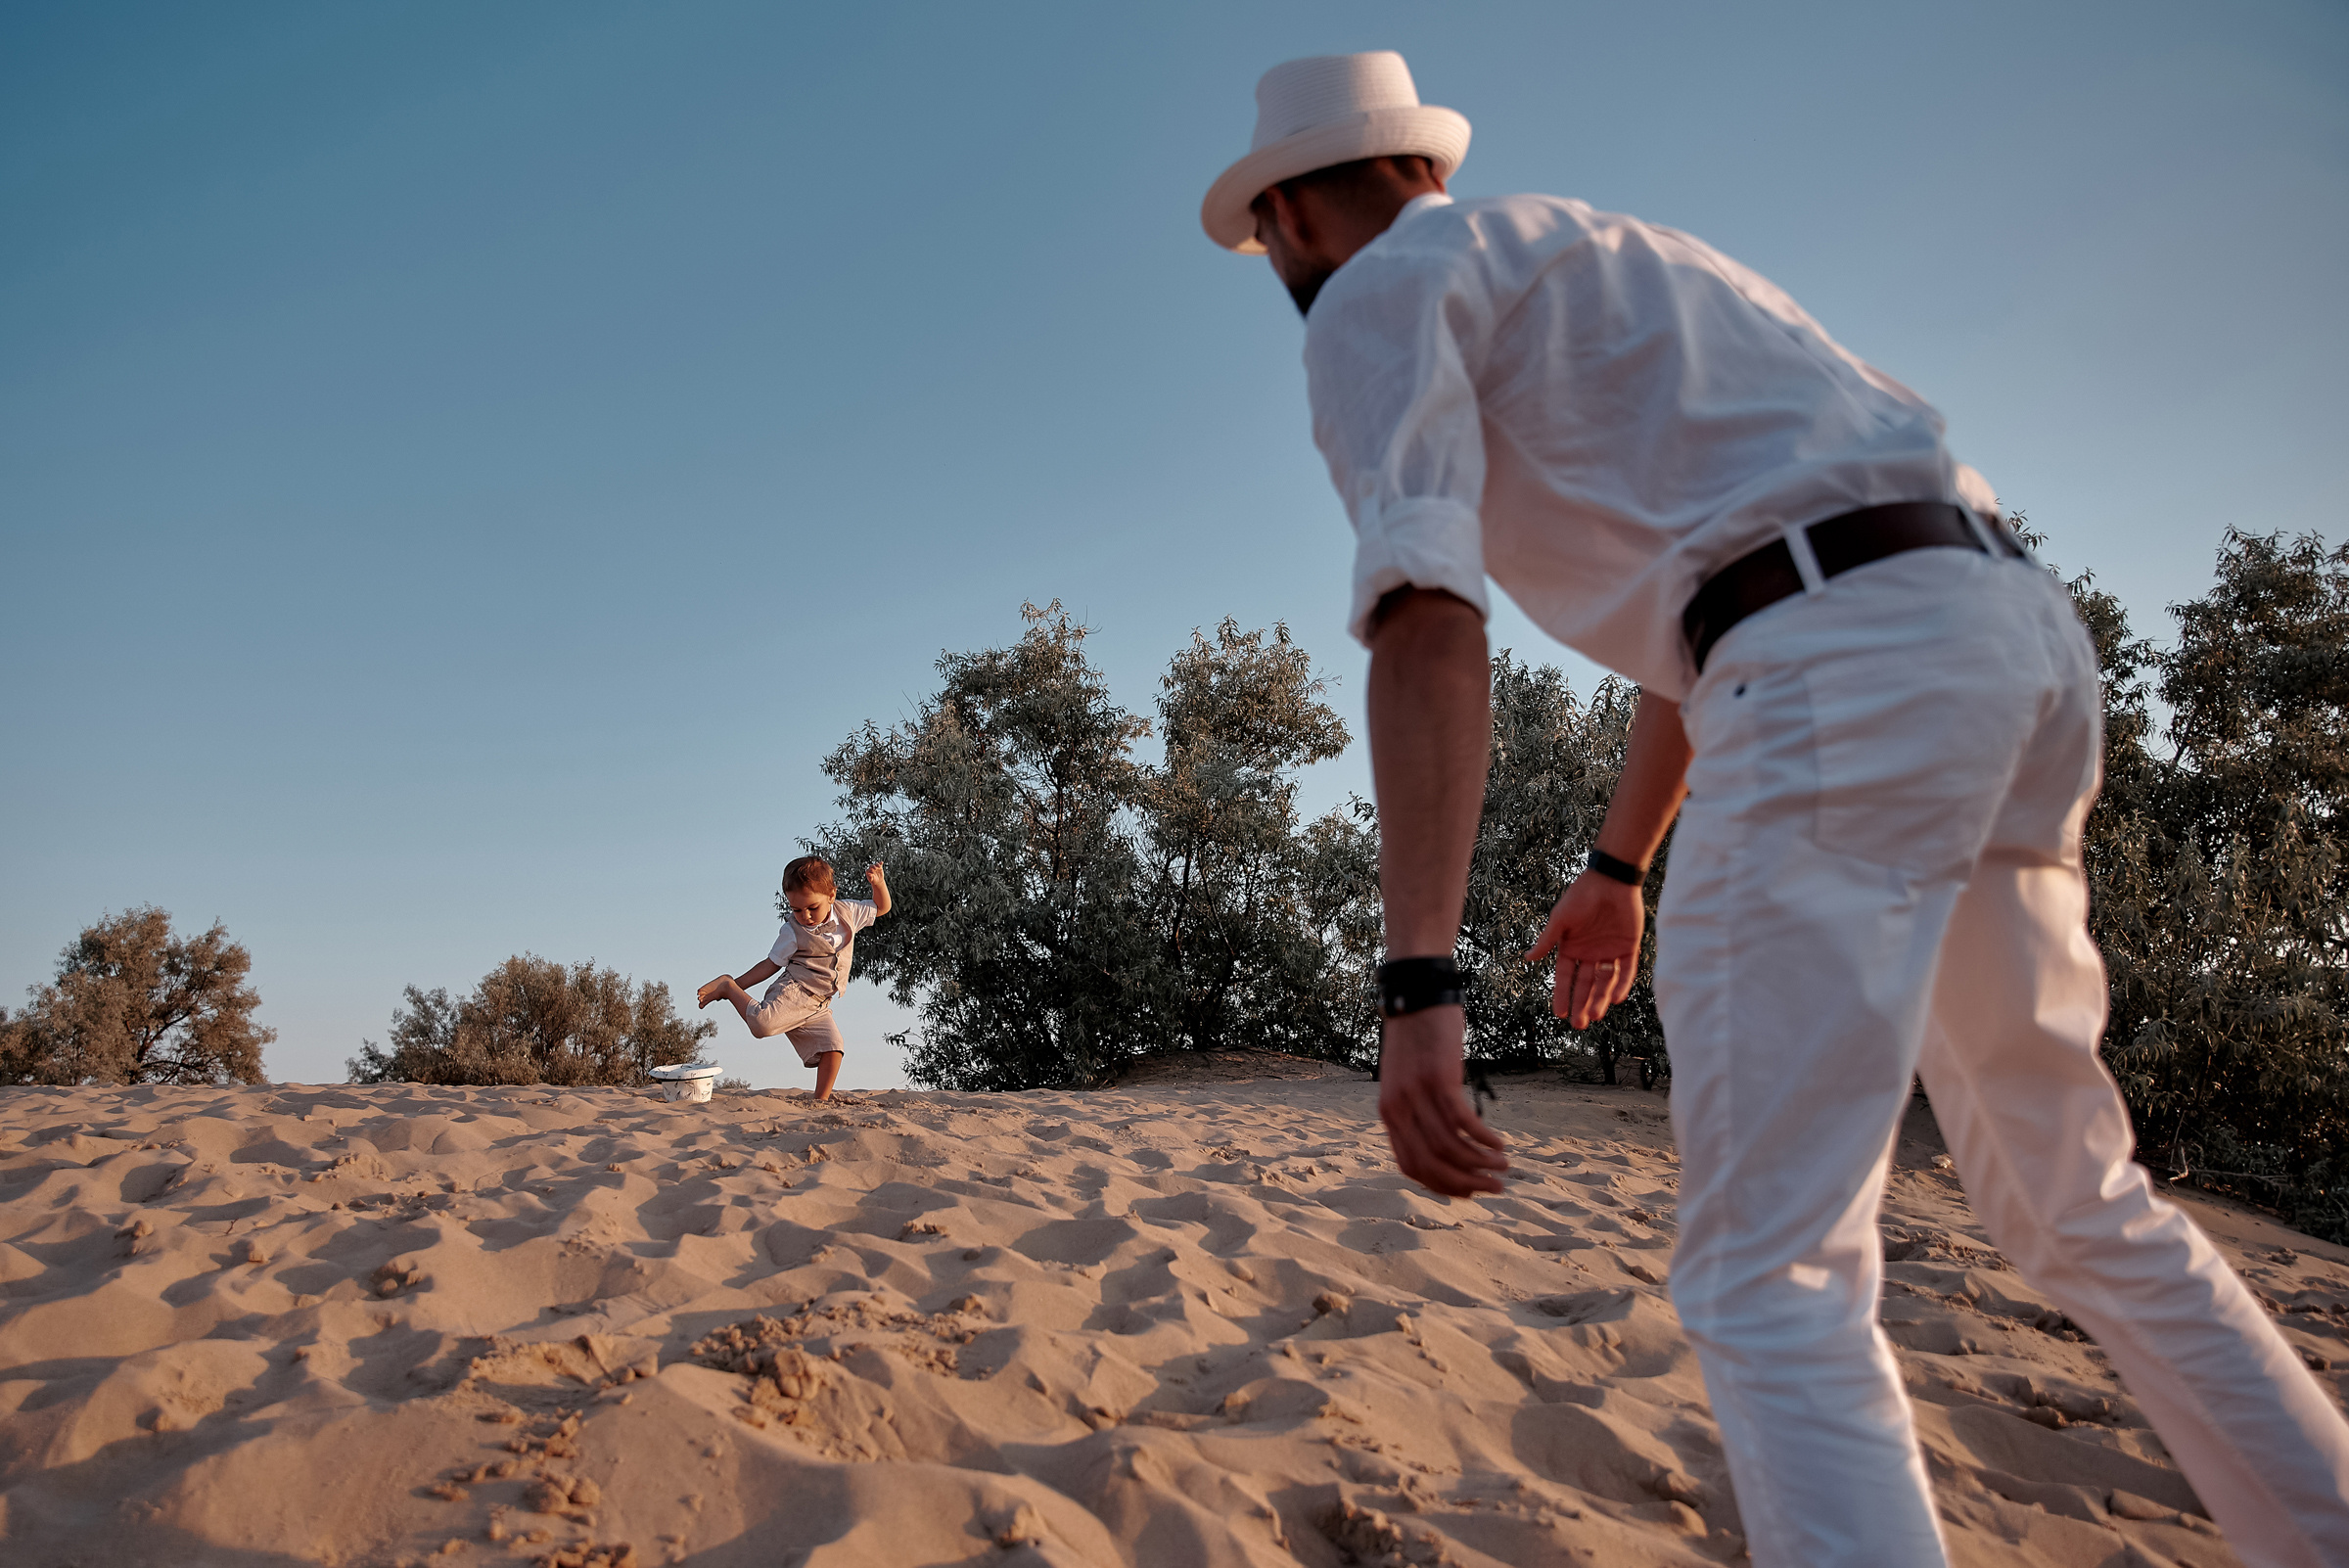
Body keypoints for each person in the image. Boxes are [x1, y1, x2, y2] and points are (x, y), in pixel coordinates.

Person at [1200, 49, 2349, 1568]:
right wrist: (1620, 864)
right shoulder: (1620, 256)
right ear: (1420, 159)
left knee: (1771, 1275)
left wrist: (1419, 979)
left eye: (1269, 240)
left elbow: (1427, 616)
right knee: (2082, 1199)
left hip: (1837, 669)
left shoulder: (1375, 293)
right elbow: (1738, 581)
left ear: (1288, 212)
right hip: (2001, 639)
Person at [697, 854, 890, 1103]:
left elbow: (882, 907)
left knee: (833, 1048)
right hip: (795, 991)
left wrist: (878, 884)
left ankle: (819, 1102)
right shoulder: (792, 931)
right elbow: (769, 965)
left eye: (812, 908)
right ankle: (727, 985)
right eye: (796, 909)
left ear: (831, 895)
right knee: (762, 1026)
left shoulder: (848, 912)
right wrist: (737, 984)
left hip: (819, 1003)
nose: (805, 916)